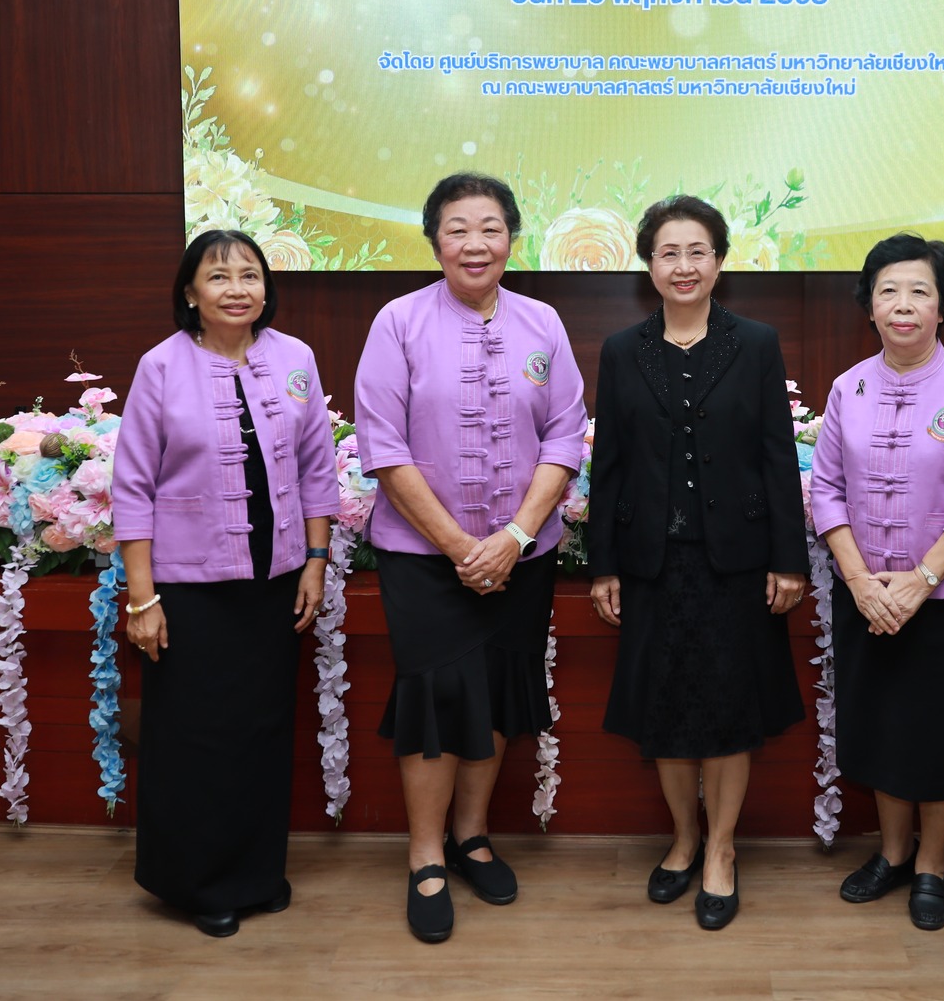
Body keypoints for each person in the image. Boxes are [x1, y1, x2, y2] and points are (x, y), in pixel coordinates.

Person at [353, 173, 588, 944]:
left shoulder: (543, 321)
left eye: (491, 227)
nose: (475, 243)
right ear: (434, 241)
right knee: (437, 694)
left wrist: (514, 537)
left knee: (496, 690)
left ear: (512, 238)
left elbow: (564, 436)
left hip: (522, 554)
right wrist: (461, 547)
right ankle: (425, 853)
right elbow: (383, 445)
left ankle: (473, 835)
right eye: (458, 228)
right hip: (425, 559)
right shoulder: (398, 321)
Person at [586, 195, 808, 931]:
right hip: (653, 563)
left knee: (730, 711)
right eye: (668, 253)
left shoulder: (756, 343)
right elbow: (609, 465)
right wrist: (604, 565)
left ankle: (721, 848)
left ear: (719, 261)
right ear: (648, 265)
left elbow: (777, 456)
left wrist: (788, 559)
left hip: (736, 563)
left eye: (697, 251)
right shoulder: (622, 350)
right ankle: (683, 838)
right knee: (667, 710)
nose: (684, 266)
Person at [113, 229, 337, 938]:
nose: (237, 288)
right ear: (190, 292)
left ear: (267, 287)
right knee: (196, 737)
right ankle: (198, 883)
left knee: (263, 730)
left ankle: (256, 875)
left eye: (249, 274)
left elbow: (317, 467)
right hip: (188, 587)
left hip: (274, 581)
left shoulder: (296, 359)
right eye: (218, 276)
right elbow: (132, 486)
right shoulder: (161, 365)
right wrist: (143, 598)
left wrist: (316, 559)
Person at [810, 234, 944, 931]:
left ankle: (932, 862)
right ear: (869, 306)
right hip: (866, 596)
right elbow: (825, 490)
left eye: (920, 291)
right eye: (888, 291)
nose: (903, 305)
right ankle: (892, 853)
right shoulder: (849, 386)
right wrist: (861, 582)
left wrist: (921, 581)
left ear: (942, 307)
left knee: (941, 732)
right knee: (881, 726)